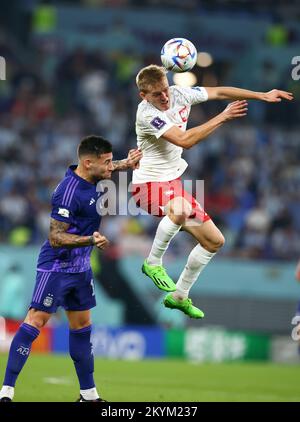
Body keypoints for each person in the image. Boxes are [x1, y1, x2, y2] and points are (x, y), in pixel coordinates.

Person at [131, 64, 293, 319]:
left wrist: (261, 94)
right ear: (144, 96)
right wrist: (223, 117)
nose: (164, 98)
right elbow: (186, 141)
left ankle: (180, 296)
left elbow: (218, 92)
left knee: (214, 241)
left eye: (165, 91)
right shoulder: (147, 114)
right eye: (157, 95)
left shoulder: (180, 94)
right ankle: (152, 263)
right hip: (147, 187)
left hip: (172, 185)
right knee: (182, 209)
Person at [0, 135, 142, 403]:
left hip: (80, 267)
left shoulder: (92, 176)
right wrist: (90, 239)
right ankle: (6, 392)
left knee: (82, 325)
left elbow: (108, 167)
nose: (111, 167)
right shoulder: (67, 191)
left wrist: (127, 163)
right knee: (36, 320)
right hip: (56, 265)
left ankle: (88, 395)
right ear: (88, 163)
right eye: (108, 162)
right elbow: (55, 237)